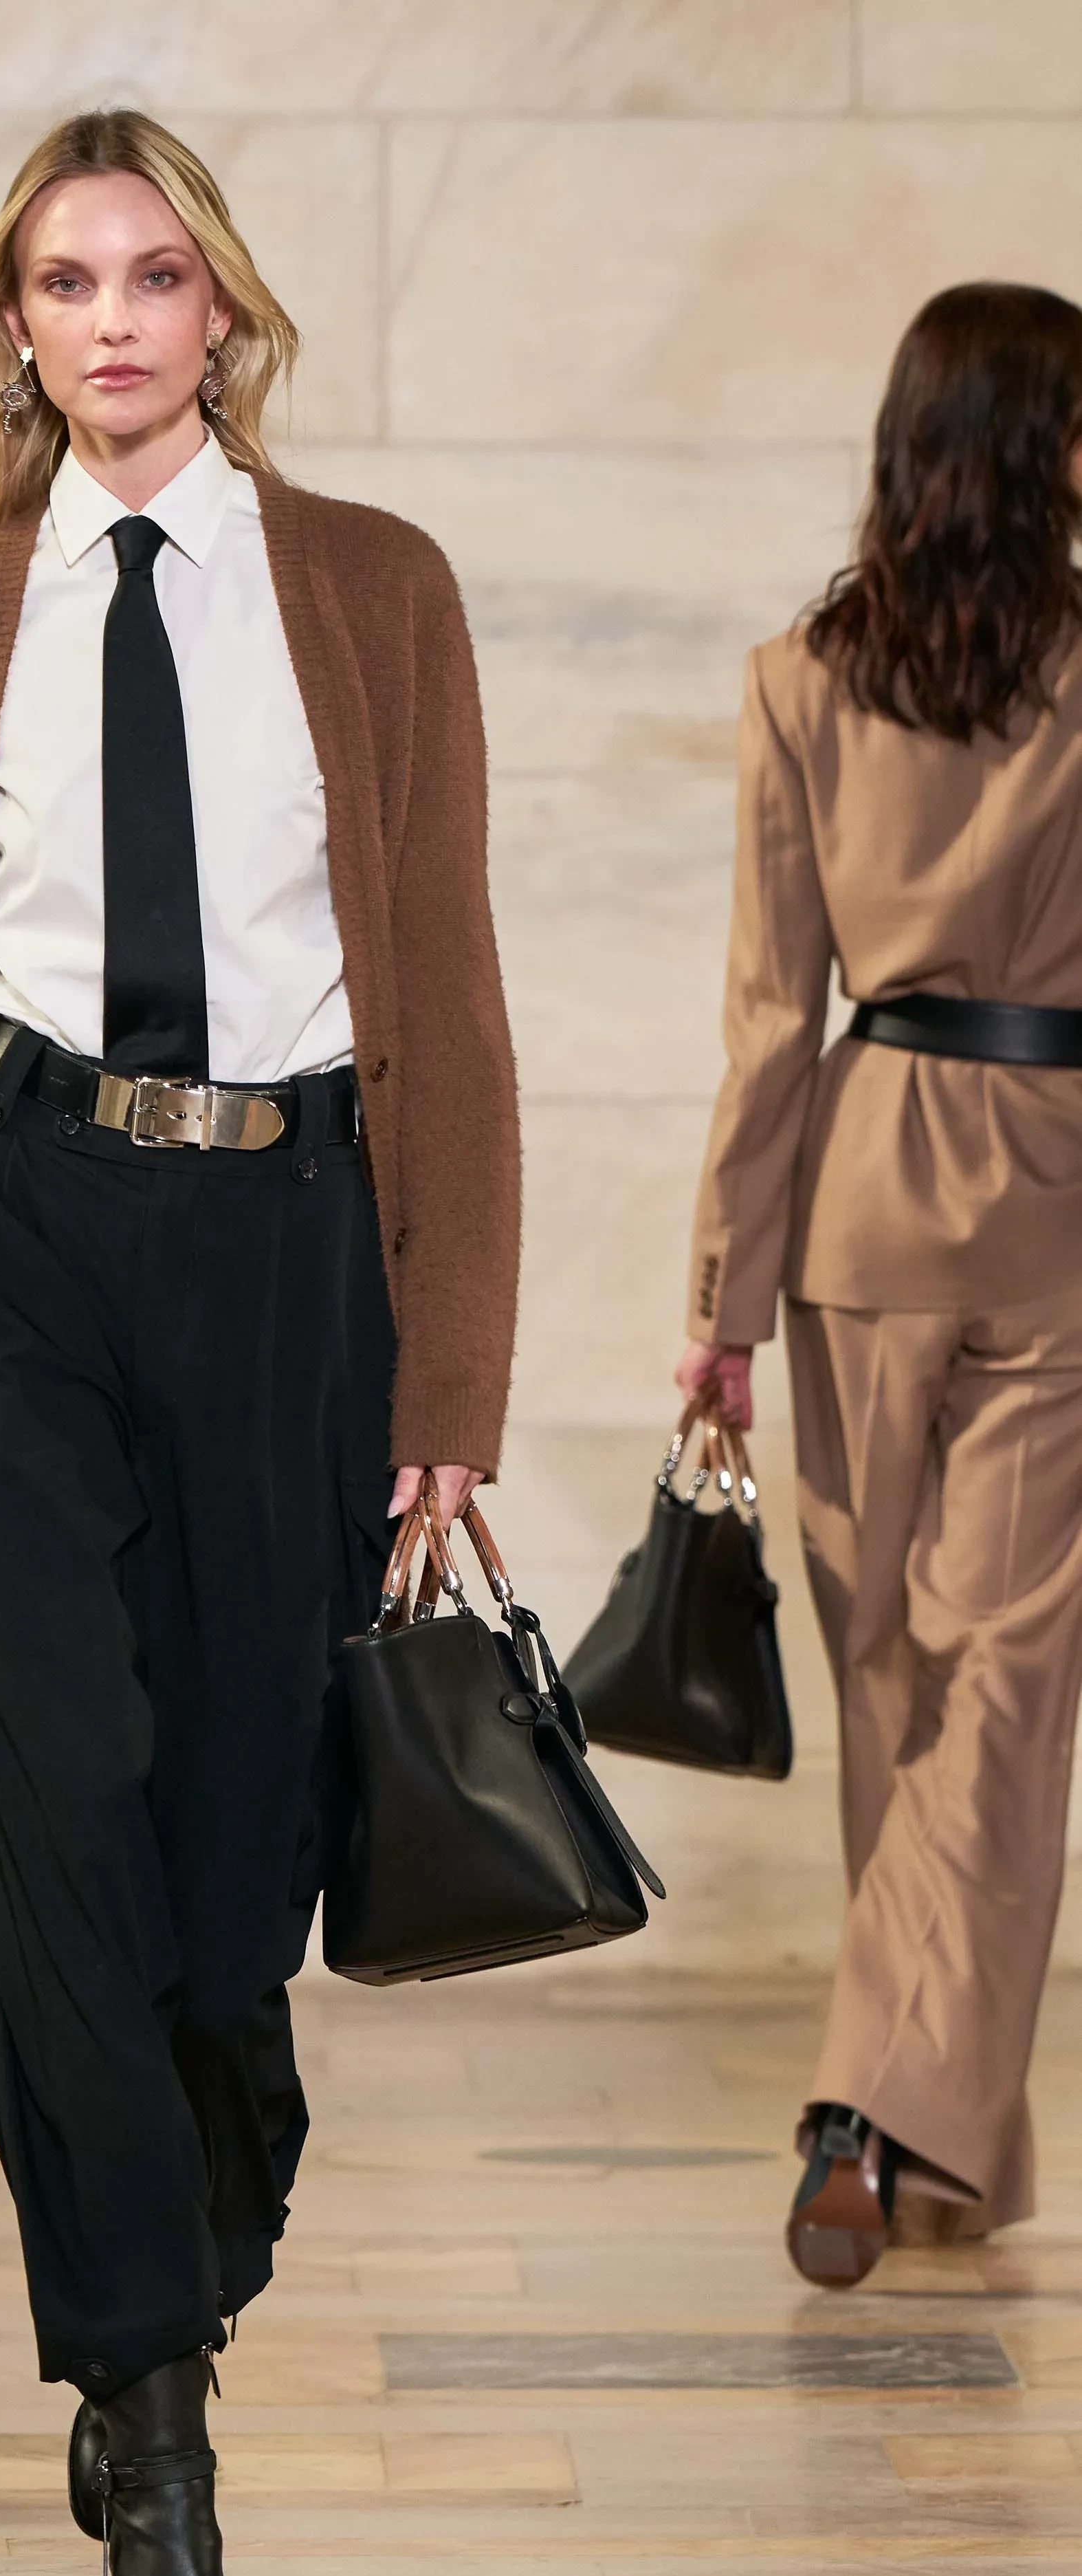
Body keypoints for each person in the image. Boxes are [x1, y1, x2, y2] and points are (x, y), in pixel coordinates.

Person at [0, 111, 519, 2576]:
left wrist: (450, 1374)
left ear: (222, 311)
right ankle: (159, 2431)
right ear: (15, 330)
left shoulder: (373, 592)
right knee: (49, 1835)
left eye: (153, 277)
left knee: (226, 1882)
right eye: (63, 283)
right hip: (1, 1252)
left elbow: (447, 988)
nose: (109, 321)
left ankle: (175, 2265)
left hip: (280, 1252)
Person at [679, 283, 1082, 2291]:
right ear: (1038, 446)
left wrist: (722, 1298)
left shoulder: (799, 680)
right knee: (1002, 1687)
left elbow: (772, 1018)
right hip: (1058, 1197)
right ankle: (893, 2122)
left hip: (857, 1198)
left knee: (895, 1680)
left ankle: (911, 2134)